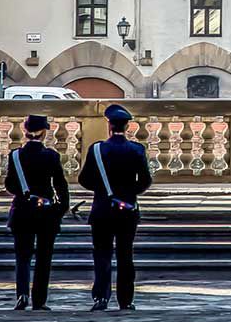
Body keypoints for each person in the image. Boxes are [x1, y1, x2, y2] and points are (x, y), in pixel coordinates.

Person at [78, 104, 152, 311]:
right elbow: (145, 181)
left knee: (102, 255)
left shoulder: (97, 149)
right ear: (127, 126)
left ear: (109, 125)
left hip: (102, 209)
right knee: (125, 256)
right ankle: (126, 300)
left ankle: (101, 297)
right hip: (127, 210)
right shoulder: (137, 150)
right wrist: (128, 193)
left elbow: (84, 179)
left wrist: (103, 191)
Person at [3, 114, 70, 311]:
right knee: (43, 258)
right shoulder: (51, 156)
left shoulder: (15, 155)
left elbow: (10, 185)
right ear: (44, 133)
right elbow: (60, 185)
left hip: (22, 210)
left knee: (22, 256)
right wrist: (61, 208)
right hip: (46, 212)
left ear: (25, 132)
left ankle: (22, 294)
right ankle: (39, 300)